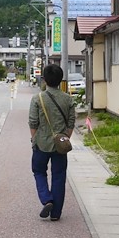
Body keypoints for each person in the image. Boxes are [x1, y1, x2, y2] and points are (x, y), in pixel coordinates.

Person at [28, 64, 74, 221]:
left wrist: (34, 139)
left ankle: (47, 199)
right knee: (59, 176)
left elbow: (33, 122)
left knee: (39, 172)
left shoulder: (38, 98)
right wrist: (64, 139)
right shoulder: (68, 99)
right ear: (61, 80)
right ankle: (56, 213)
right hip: (60, 144)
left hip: (41, 143)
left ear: (45, 80)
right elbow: (71, 123)